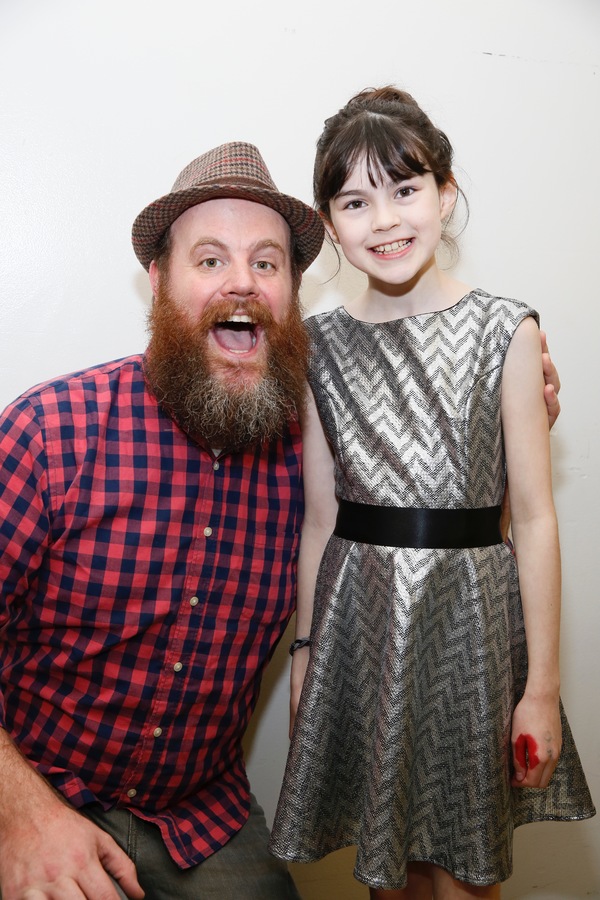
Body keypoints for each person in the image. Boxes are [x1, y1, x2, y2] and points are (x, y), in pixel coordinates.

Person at [268, 87, 595, 899]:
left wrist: (542, 690)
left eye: (405, 189)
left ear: (446, 195)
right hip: (362, 626)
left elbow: (535, 518)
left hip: (471, 630)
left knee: (464, 869)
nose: (384, 219)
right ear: (329, 222)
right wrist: (307, 654)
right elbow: (318, 520)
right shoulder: (318, 347)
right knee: (388, 871)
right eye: (355, 200)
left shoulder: (505, 330)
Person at [0, 142, 324, 899]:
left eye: (267, 263)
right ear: (159, 281)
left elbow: (436, 500)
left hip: (199, 818)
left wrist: (503, 398)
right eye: (209, 260)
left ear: (290, 293)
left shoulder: (316, 458)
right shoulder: (51, 431)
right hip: (33, 785)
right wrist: (20, 814)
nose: (242, 280)